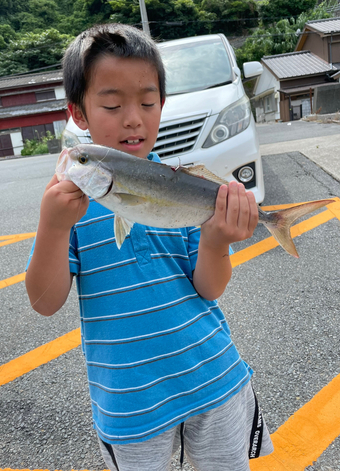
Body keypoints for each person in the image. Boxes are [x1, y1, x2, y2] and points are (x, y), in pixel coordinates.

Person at [25, 23, 274, 471]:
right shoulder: (68, 204)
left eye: (147, 102)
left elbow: (209, 288)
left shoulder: (187, 186)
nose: (133, 118)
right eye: (112, 104)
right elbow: (44, 302)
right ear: (78, 113)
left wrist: (217, 240)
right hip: (131, 408)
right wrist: (53, 228)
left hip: (214, 378)